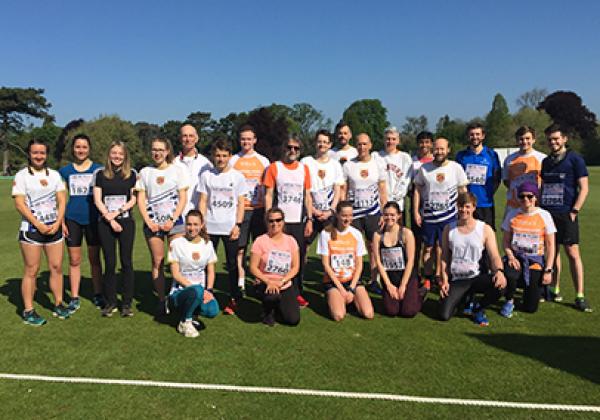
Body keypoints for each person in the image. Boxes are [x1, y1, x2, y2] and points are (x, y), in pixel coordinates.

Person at [13, 139, 70, 325]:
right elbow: (19, 204)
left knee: (56, 267)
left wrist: (58, 222)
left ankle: (59, 303)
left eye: (42, 153)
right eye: (35, 152)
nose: (39, 156)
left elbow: (62, 200)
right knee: (32, 270)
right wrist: (38, 224)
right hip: (31, 230)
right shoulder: (22, 176)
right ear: (29, 154)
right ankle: (28, 310)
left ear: (46, 154)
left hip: (53, 228)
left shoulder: (54, 175)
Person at [137, 138, 190, 316]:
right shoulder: (145, 172)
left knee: (178, 261)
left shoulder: (177, 171)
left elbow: (182, 198)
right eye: (154, 150)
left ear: (167, 151)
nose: (157, 153)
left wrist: (173, 220)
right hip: (153, 225)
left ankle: (180, 296)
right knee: (158, 262)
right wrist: (149, 221)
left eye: (160, 149)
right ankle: (162, 300)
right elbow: (141, 200)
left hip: (174, 224)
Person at [541, 124, 591, 312]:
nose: (553, 142)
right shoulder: (546, 162)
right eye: (550, 139)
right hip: (548, 213)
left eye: (556, 139)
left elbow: (584, 187)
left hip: (567, 213)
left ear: (564, 139)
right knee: (552, 253)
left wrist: (575, 210)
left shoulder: (575, 159)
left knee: (572, 253)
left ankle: (579, 295)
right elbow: (544, 186)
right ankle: (555, 288)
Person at [438, 192, 506, 325]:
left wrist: (499, 271)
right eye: (461, 206)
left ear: (474, 207)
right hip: (458, 279)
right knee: (444, 315)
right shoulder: (449, 229)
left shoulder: (485, 229)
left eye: (467, 207)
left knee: (501, 286)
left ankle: (479, 308)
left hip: (477, 276)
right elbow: (445, 256)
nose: (464, 210)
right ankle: (465, 299)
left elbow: (494, 255)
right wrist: (444, 280)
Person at [198, 139, 246, 315]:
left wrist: (238, 225)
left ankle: (233, 298)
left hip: (229, 228)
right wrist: (201, 224)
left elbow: (241, 203)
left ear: (230, 157)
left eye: (224, 155)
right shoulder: (206, 175)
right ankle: (203, 294)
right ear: (213, 156)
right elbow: (203, 201)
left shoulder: (237, 176)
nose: (220, 159)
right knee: (206, 263)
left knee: (232, 264)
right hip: (210, 227)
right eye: (217, 155)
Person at [264, 135, 313, 307]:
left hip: (298, 221)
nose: (292, 151)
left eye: (296, 148)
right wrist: (268, 218)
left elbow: (307, 196)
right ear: (283, 148)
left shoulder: (304, 169)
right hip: (279, 222)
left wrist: (310, 219)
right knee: (277, 257)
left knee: (298, 257)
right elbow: (269, 194)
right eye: (289, 147)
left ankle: (297, 291)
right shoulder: (274, 167)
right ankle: (272, 288)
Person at [413, 138, 468, 290]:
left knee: (445, 248)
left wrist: (466, 211)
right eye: (436, 149)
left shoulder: (456, 168)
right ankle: (428, 277)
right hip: (429, 216)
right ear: (432, 149)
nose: (439, 152)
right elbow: (417, 190)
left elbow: (463, 191)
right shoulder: (425, 168)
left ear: (448, 150)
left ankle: (442, 276)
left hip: (449, 216)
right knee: (428, 248)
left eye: (442, 149)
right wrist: (416, 212)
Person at [59, 133, 103, 311]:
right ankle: (74, 296)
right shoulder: (64, 171)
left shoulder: (99, 170)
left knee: (95, 259)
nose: (81, 150)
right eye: (78, 147)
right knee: (74, 260)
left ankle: (98, 293)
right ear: (73, 149)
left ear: (89, 149)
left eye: (84, 147)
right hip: (72, 219)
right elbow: (60, 199)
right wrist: (61, 222)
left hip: (93, 219)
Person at [93, 141, 137, 317]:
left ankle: (126, 303)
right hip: (105, 223)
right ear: (109, 155)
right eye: (114, 153)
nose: (117, 156)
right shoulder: (100, 174)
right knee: (109, 263)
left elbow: (134, 199)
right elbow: (98, 199)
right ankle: (110, 301)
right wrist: (109, 218)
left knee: (126, 262)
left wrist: (118, 212)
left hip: (126, 222)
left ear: (125, 156)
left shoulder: (132, 174)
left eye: (120, 153)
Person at [501, 182, 556, 316]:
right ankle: (509, 300)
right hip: (516, 258)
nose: (526, 199)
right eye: (522, 196)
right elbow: (506, 242)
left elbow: (550, 245)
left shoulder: (544, 215)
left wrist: (548, 270)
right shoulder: (512, 215)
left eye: (529, 196)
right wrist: (511, 257)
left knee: (530, 308)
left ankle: (529, 291)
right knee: (510, 275)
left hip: (535, 260)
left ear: (535, 197)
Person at [341, 133, 387, 294]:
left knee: (374, 247)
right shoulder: (348, 165)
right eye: (359, 144)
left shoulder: (377, 164)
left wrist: (384, 212)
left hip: (373, 212)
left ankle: (374, 280)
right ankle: (355, 279)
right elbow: (344, 190)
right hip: (354, 214)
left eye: (365, 144)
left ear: (370, 145)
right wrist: (342, 211)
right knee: (352, 247)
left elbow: (382, 190)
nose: (362, 147)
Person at [228, 124, 270, 290]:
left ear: (255, 140)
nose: (246, 142)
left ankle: (259, 279)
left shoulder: (263, 161)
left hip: (259, 210)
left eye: (249, 139)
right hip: (240, 210)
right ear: (239, 140)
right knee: (240, 248)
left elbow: (268, 188)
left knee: (260, 248)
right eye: (243, 139)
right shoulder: (233, 160)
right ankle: (240, 281)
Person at [317, 201, 374, 321]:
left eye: (350, 215)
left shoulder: (356, 234)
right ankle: (333, 298)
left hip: (352, 281)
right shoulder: (326, 234)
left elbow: (359, 265)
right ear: (337, 215)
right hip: (334, 282)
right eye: (344, 215)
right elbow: (325, 264)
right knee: (338, 316)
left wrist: (352, 288)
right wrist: (341, 289)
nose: (348, 219)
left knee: (368, 314)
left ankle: (350, 300)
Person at [167, 210, 220, 338]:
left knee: (212, 310)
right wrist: (197, 289)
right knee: (196, 291)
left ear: (201, 225)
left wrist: (209, 291)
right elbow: (175, 274)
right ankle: (185, 322)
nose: (192, 228)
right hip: (180, 292)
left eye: (196, 224)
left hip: (201, 291)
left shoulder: (208, 244)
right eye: (189, 224)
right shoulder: (176, 243)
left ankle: (193, 312)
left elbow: (211, 271)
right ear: (185, 225)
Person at [249, 208, 301, 326]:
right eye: (271, 221)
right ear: (266, 222)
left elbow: (295, 267)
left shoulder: (291, 241)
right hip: (265, 283)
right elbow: (253, 267)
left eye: (278, 220)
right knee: (272, 296)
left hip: (284, 283)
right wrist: (268, 282)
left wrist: (282, 281)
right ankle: (267, 312)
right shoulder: (260, 241)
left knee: (293, 320)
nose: (275, 224)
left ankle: (277, 309)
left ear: (283, 221)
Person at [372, 202, 422, 317]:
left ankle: (420, 293)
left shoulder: (406, 233)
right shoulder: (378, 235)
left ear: (399, 215)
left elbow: (410, 261)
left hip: (407, 276)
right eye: (386, 215)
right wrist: (388, 285)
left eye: (392, 215)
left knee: (408, 312)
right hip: (390, 277)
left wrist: (403, 285)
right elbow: (378, 262)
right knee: (391, 311)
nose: (389, 218)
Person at [300, 129, 344, 246]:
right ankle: (302, 265)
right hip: (311, 212)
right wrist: (313, 210)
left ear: (330, 145)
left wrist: (331, 210)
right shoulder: (306, 162)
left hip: (329, 213)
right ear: (315, 143)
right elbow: (304, 190)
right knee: (304, 244)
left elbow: (337, 190)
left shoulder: (335, 165)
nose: (322, 144)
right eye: (319, 141)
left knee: (332, 244)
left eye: (325, 142)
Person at [455, 123, 501, 230]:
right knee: (465, 233)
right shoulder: (461, 156)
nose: (475, 137)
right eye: (472, 134)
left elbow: (497, 178)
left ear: (483, 136)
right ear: (468, 136)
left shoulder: (492, 154)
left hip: (485, 204)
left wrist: (488, 193)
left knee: (487, 236)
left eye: (477, 134)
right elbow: (457, 179)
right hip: (466, 205)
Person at [372, 127, 412, 224]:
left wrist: (394, 198)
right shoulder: (376, 156)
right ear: (383, 140)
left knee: (397, 234)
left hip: (397, 204)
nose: (390, 141)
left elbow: (406, 181)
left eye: (393, 139)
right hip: (379, 204)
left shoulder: (405, 158)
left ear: (398, 141)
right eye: (388, 139)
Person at [502, 126, 546, 213]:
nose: (524, 142)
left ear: (534, 140)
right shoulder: (509, 159)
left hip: (534, 205)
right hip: (513, 205)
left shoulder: (542, 158)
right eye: (521, 139)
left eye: (527, 138)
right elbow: (506, 181)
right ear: (517, 140)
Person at [409, 131, 434, 282]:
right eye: (421, 142)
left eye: (427, 142)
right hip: (417, 204)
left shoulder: (435, 160)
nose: (424, 145)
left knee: (433, 243)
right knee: (416, 241)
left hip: (433, 206)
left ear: (432, 144)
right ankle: (414, 270)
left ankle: (434, 273)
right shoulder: (413, 162)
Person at [173, 124, 212, 220]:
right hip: (178, 216)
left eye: (191, 136)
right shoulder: (173, 163)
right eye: (184, 136)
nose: (188, 139)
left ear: (197, 138)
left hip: (199, 217)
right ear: (180, 138)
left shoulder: (206, 163)